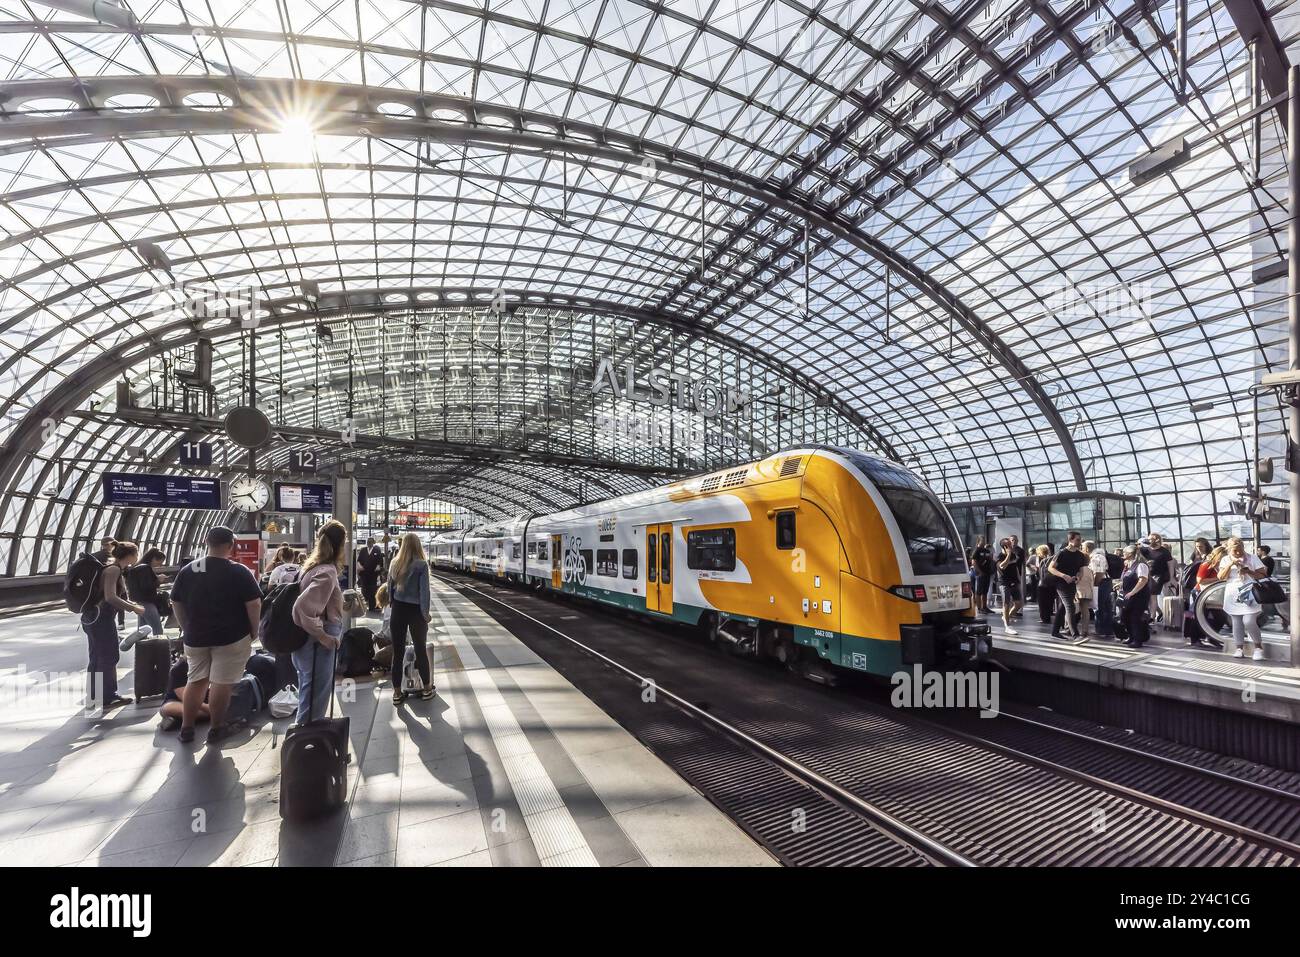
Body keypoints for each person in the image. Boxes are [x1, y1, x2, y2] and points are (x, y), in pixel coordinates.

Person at [170, 526, 263, 745]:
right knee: (222, 683)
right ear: (232, 545)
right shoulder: (239, 571)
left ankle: (187, 728)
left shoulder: (189, 569)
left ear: (206, 541)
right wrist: (254, 630)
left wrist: (187, 626)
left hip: (196, 637)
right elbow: (254, 604)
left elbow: (176, 601)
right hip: (231, 636)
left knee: (195, 681)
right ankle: (216, 727)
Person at [291, 520, 346, 724]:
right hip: (316, 642)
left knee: (308, 688)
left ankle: (303, 736)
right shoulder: (327, 571)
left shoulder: (310, 567)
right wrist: (324, 637)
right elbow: (302, 607)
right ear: (341, 544)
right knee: (317, 693)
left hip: (304, 640)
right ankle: (308, 741)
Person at [83, 541, 144, 710]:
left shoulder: (112, 568)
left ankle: (94, 696)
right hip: (101, 619)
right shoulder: (114, 569)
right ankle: (108, 697)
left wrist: (130, 603)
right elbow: (110, 597)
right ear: (131, 555)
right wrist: (133, 608)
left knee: (96, 658)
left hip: (94, 618)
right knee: (109, 657)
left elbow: (111, 595)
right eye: (136, 552)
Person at [387, 531, 434, 704]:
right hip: (416, 611)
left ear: (403, 545)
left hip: (398, 610)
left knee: (397, 652)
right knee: (420, 649)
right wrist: (425, 614)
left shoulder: (394, 563)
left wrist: (393, 603)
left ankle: (397, 694)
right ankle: (427, 689)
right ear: (418, 545)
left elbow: (388, 588)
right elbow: (424, 593)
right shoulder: (422, 565)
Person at [1217, 537, 1268, 660]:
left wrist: (1249, 571)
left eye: (1240, 549)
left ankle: (1258, 647)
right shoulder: (1225, 559)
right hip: (1233, 593)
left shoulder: (1252, 558)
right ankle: (1239, 648)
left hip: (1250, 592)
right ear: (1229, 550)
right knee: (1236, 621)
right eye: (1235, 550)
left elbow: (1263, 574)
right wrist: (1231, 564)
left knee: (1249, 621)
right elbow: (1221, 577)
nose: (1239, 552)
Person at [1047, 531, 1087, 640]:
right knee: (1070, 607)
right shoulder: (1062, 553)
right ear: (1070, 540)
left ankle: (1055, 631)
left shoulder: (1080, 555)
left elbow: (1081, 570)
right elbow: (1051, 568)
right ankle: (1075, 635)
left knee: (1063, 608)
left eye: (1080, 540)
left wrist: (1078, 576)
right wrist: (1064, 576)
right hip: (1061, 583)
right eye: (1077, 540)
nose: (1080, 542)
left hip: (1072, 583)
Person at [125, 548, 167, 635]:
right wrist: (158, 580)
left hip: (139, 602)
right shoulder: (145, 568)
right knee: (157, 630)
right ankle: (159, 647)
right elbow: (146, 587)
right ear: (154, 558)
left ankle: (141, 647)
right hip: (147, 603)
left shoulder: (137, 567)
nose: (160, 564)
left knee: (142, 631)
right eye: (160, 561)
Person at [1119, 545, 1151, 647]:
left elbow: (1143, 580)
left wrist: (1133, 592)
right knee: (1125, 616)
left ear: (1130, 554)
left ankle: (1138, 640)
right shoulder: (1129, 565)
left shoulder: (1141, 565)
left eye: (1125, 552)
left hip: (1138, 596)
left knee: (1135, 617)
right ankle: (1131, 636)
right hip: (1128, 595)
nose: (1123, 554)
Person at [1140, 533, 1173, 623]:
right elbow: (1136, 551)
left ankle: (1152, 617)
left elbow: (1170, 565)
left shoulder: (1164, 552)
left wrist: (1171, 578)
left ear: (1156, 540)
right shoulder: (1145, 550)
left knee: (1152, 596)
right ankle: (1159, 612)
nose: (1148, 540)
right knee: (1148, 596)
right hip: (1147, 575)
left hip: (1158, 576)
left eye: (1150, 539)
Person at [1086, 541, 1114, 639]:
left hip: (1101, 583)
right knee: (1106, 607)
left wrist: (1094, 586)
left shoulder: (1096, 557)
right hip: (1105, 582)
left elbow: (1099, 573)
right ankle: (1108, 629)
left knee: (1099, 606)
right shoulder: (1100, 556)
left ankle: (1101, 629)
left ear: (1087, 548)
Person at [996, 538, 1019, 635]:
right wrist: (1008, 554)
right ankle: (1007, 626)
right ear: (1004, 547)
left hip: (1014, 581)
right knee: (1006, 603)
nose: (1011, 546)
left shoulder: (1013, 555)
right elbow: (1002, 566)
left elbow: (1016, 567)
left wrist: (1019, 578)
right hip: (1004, 582)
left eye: (1011, 544)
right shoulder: (999, 556)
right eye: (1009, 545)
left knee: (1018, 603)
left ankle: (1006, 617)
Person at [356, 538, 385, 612]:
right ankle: (365, 604)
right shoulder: (363, 550)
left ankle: (372, 606)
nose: (369, 543)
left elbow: (380, 561)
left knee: (372, 590)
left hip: (373, 574)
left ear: (373, 542)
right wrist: (359, 567)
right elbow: (359, 560)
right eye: (368, 542)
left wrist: (378, 568)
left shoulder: (377, 550)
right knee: (364, 590)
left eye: (371, 542)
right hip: (364, 574)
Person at [1032, 545, 1056, 623]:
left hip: (1043, 584)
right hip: (1052, 584)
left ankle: (1044, 618)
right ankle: (1048, 616)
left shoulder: (1043, 561)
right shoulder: (1053, 558)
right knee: (1050, 601)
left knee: (1042, 602)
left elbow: (1039, 574)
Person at [970, 537, 994, 613]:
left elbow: (990, 559)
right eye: (982, 541)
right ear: (978, 542)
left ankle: (985, 607)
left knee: (985, 591)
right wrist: (979, 572)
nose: (983, 543)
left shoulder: (987, 550)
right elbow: (974, 562)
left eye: (984, 541)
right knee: (978, 591)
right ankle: (979, 609)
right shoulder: (976, 551)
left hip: (987, 573)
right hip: (979, 574)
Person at [1074, 551, 1094, 639]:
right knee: (1085, 612)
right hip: (1088, 591)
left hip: (1079, 591)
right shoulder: (1089, 569)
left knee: (1074, 610)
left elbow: (1076, 581)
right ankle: (1085, 630)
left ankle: (1069, 628)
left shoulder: (1078, 569)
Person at [1008, 535, 1026, 618]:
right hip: (1008, 575)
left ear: (1017, 541)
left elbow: (1018, 561)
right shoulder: (1007, 550)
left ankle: (1018, 610)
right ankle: (1011, 610)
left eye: (1015, 540)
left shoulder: (1020, 550)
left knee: (1018, 592)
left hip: (1017, 574)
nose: (1013, 541)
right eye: (1012, 540)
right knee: (1009, 593)